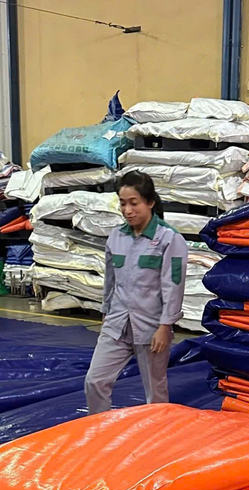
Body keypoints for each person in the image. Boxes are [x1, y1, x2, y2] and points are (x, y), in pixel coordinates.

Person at [84, 170, 188, 414]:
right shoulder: (116, 237)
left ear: (150, 202)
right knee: (94, 381)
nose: (127, 210)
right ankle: (99, 429)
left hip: (151, 327)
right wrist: (105, 312)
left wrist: (165, 326)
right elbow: (110, 280)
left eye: (134, 203)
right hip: (117, 324)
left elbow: (173, 286)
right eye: (123, 203)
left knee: (155, 392)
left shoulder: (169, 239)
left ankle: (158, 432)